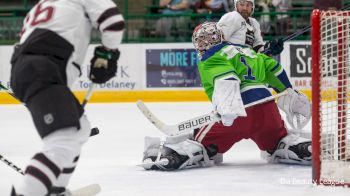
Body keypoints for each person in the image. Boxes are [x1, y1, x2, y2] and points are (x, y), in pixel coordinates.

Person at [140, 22, 311, 170]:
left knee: (201, 143)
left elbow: (227, 78)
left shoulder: (212, 57)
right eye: (201, 40)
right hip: (268, 111)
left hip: (238, 112)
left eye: (205, 39)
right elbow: (275, 69)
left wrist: (228, 108)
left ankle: (174, 155)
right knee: (277, 141)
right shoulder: (251, 53)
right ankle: (301, 149)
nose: (204, 43)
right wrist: (290, 92)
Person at [10, 0, 124, 195]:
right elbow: (113, 22)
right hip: (43, 70)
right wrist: (107, 54)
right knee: (63, 141)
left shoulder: (42, 5)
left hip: (29, 69)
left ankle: (56, 190)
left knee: (80, 129)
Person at [217, 0, 284, 56]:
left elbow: (257, 49)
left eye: (248, 5)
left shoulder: (254, 23)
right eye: (241, 4)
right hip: (231, 61)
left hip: (246, 62)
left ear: (252, 7)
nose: (245, 8)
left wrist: (269, 48)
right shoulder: (232, 16)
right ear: (236, 6)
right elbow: (217, 41)